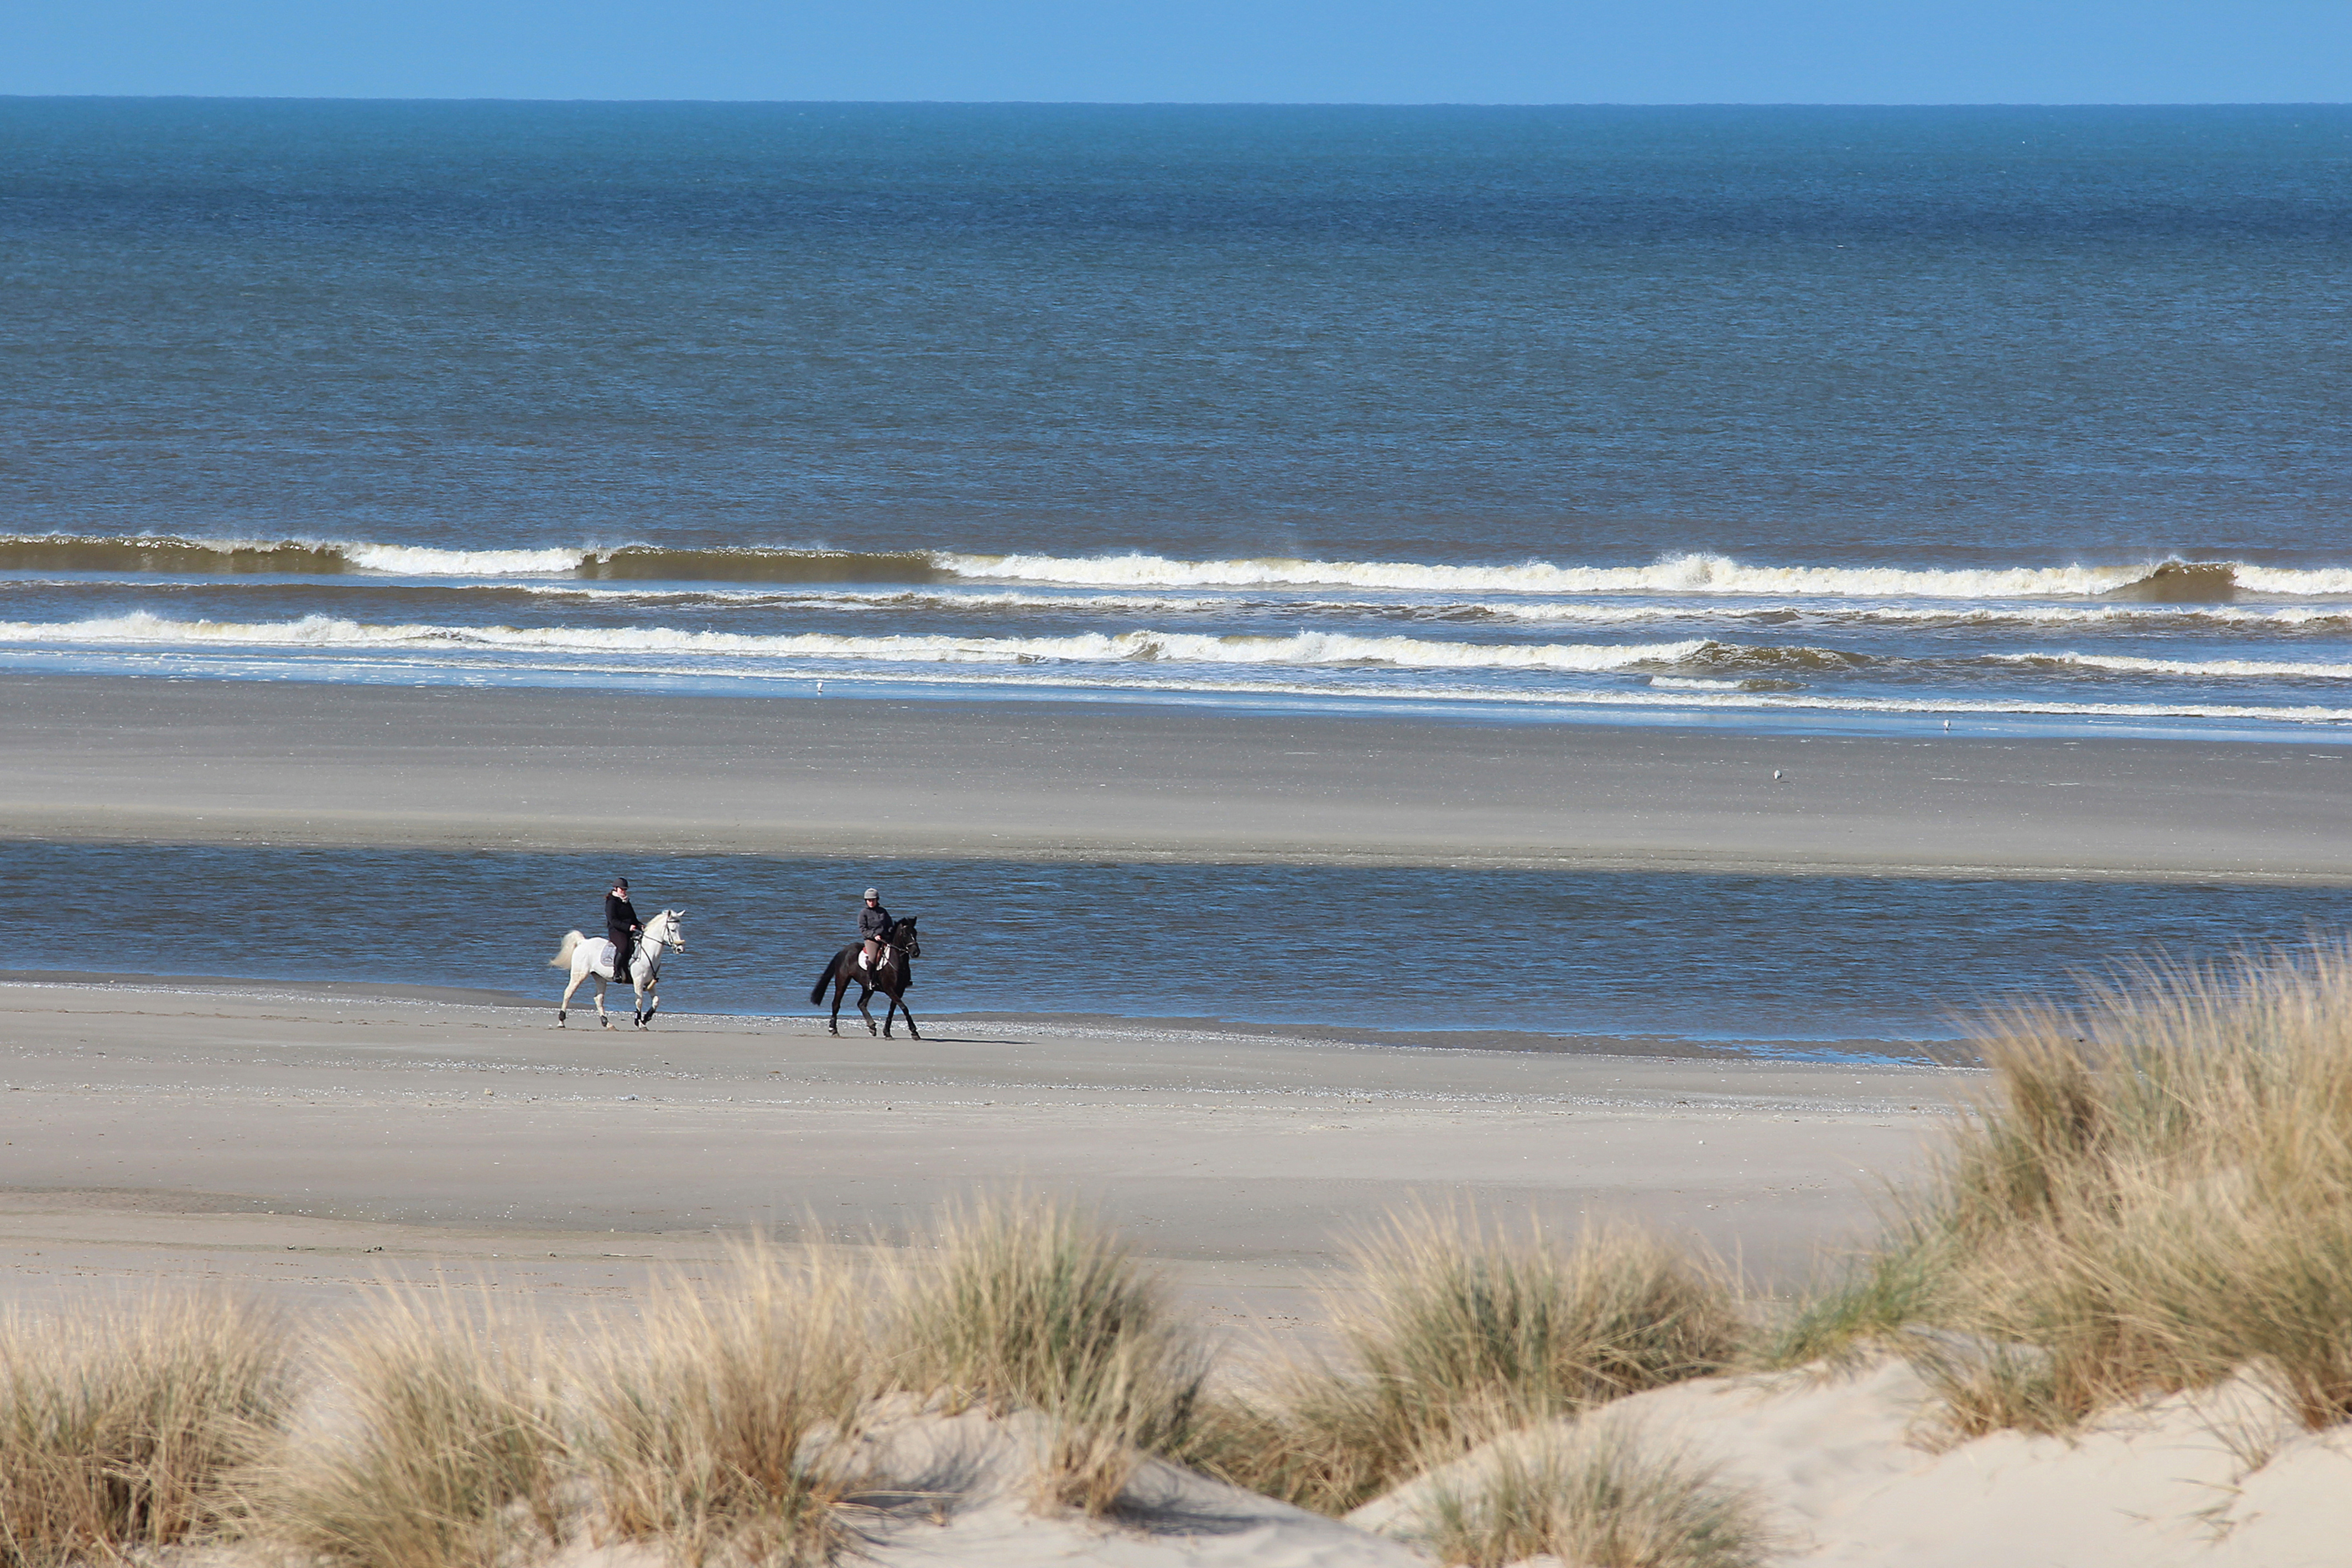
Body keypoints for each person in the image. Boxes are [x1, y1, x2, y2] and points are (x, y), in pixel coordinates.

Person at [605, 877, 642, 984]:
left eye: (625, 890)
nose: (624, 891)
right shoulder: (611, 902)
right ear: (616, 889)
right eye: (622, 889)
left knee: (635, 947)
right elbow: (613, 920)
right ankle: (616, 973)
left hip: (628, 930)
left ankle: (629, 970)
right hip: (616, 931)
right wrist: (628, 927)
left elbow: (633, 919)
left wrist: (640, 926)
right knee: (623, 947)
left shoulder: (626, 902)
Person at [858, 887, 893, 971]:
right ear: (866, 901)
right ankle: (871, 980)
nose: (871, 902)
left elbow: (890, 924)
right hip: (872, 940)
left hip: (885, 938)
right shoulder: (864, 913)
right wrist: (874, 936)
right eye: (869, 900)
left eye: (873, 900)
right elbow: (863, 929)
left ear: (877, 900)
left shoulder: (883, 911)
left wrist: (891, 933)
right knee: (873, 958)